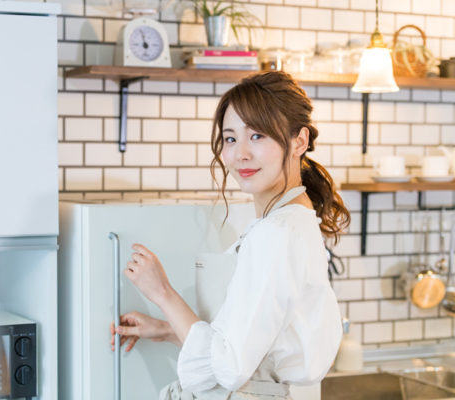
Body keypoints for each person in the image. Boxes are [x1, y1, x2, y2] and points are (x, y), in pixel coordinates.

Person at [109, 71, 350, 399]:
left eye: (258, 136)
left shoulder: (277, 233)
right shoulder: (289, 222)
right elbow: (253, 347)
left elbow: (231, 367)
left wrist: (162, 292)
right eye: (231, 138)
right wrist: (166, 330)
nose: (240, 155)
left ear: (300, 141)